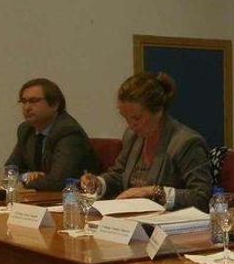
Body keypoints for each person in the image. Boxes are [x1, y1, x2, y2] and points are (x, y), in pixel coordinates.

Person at [82, 71, 211, 211]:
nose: (130, 125)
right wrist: (99, 183)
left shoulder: (186, 142)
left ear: (159, 111)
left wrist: (153, 191)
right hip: (132, 220)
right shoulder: (132, 136)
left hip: (169, 226)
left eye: (136, 118)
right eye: (125, 118)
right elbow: (119, 174)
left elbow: (201, 197)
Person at [4, 78, 97, 191]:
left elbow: (58, 182)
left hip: (73, 201)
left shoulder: (68, 131)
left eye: (33, 101)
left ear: (54, 104)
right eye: (23, 102)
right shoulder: (26, 129)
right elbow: (9, 171)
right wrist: (26, 176)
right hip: (41, 198)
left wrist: (25, 183)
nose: (27, 107)